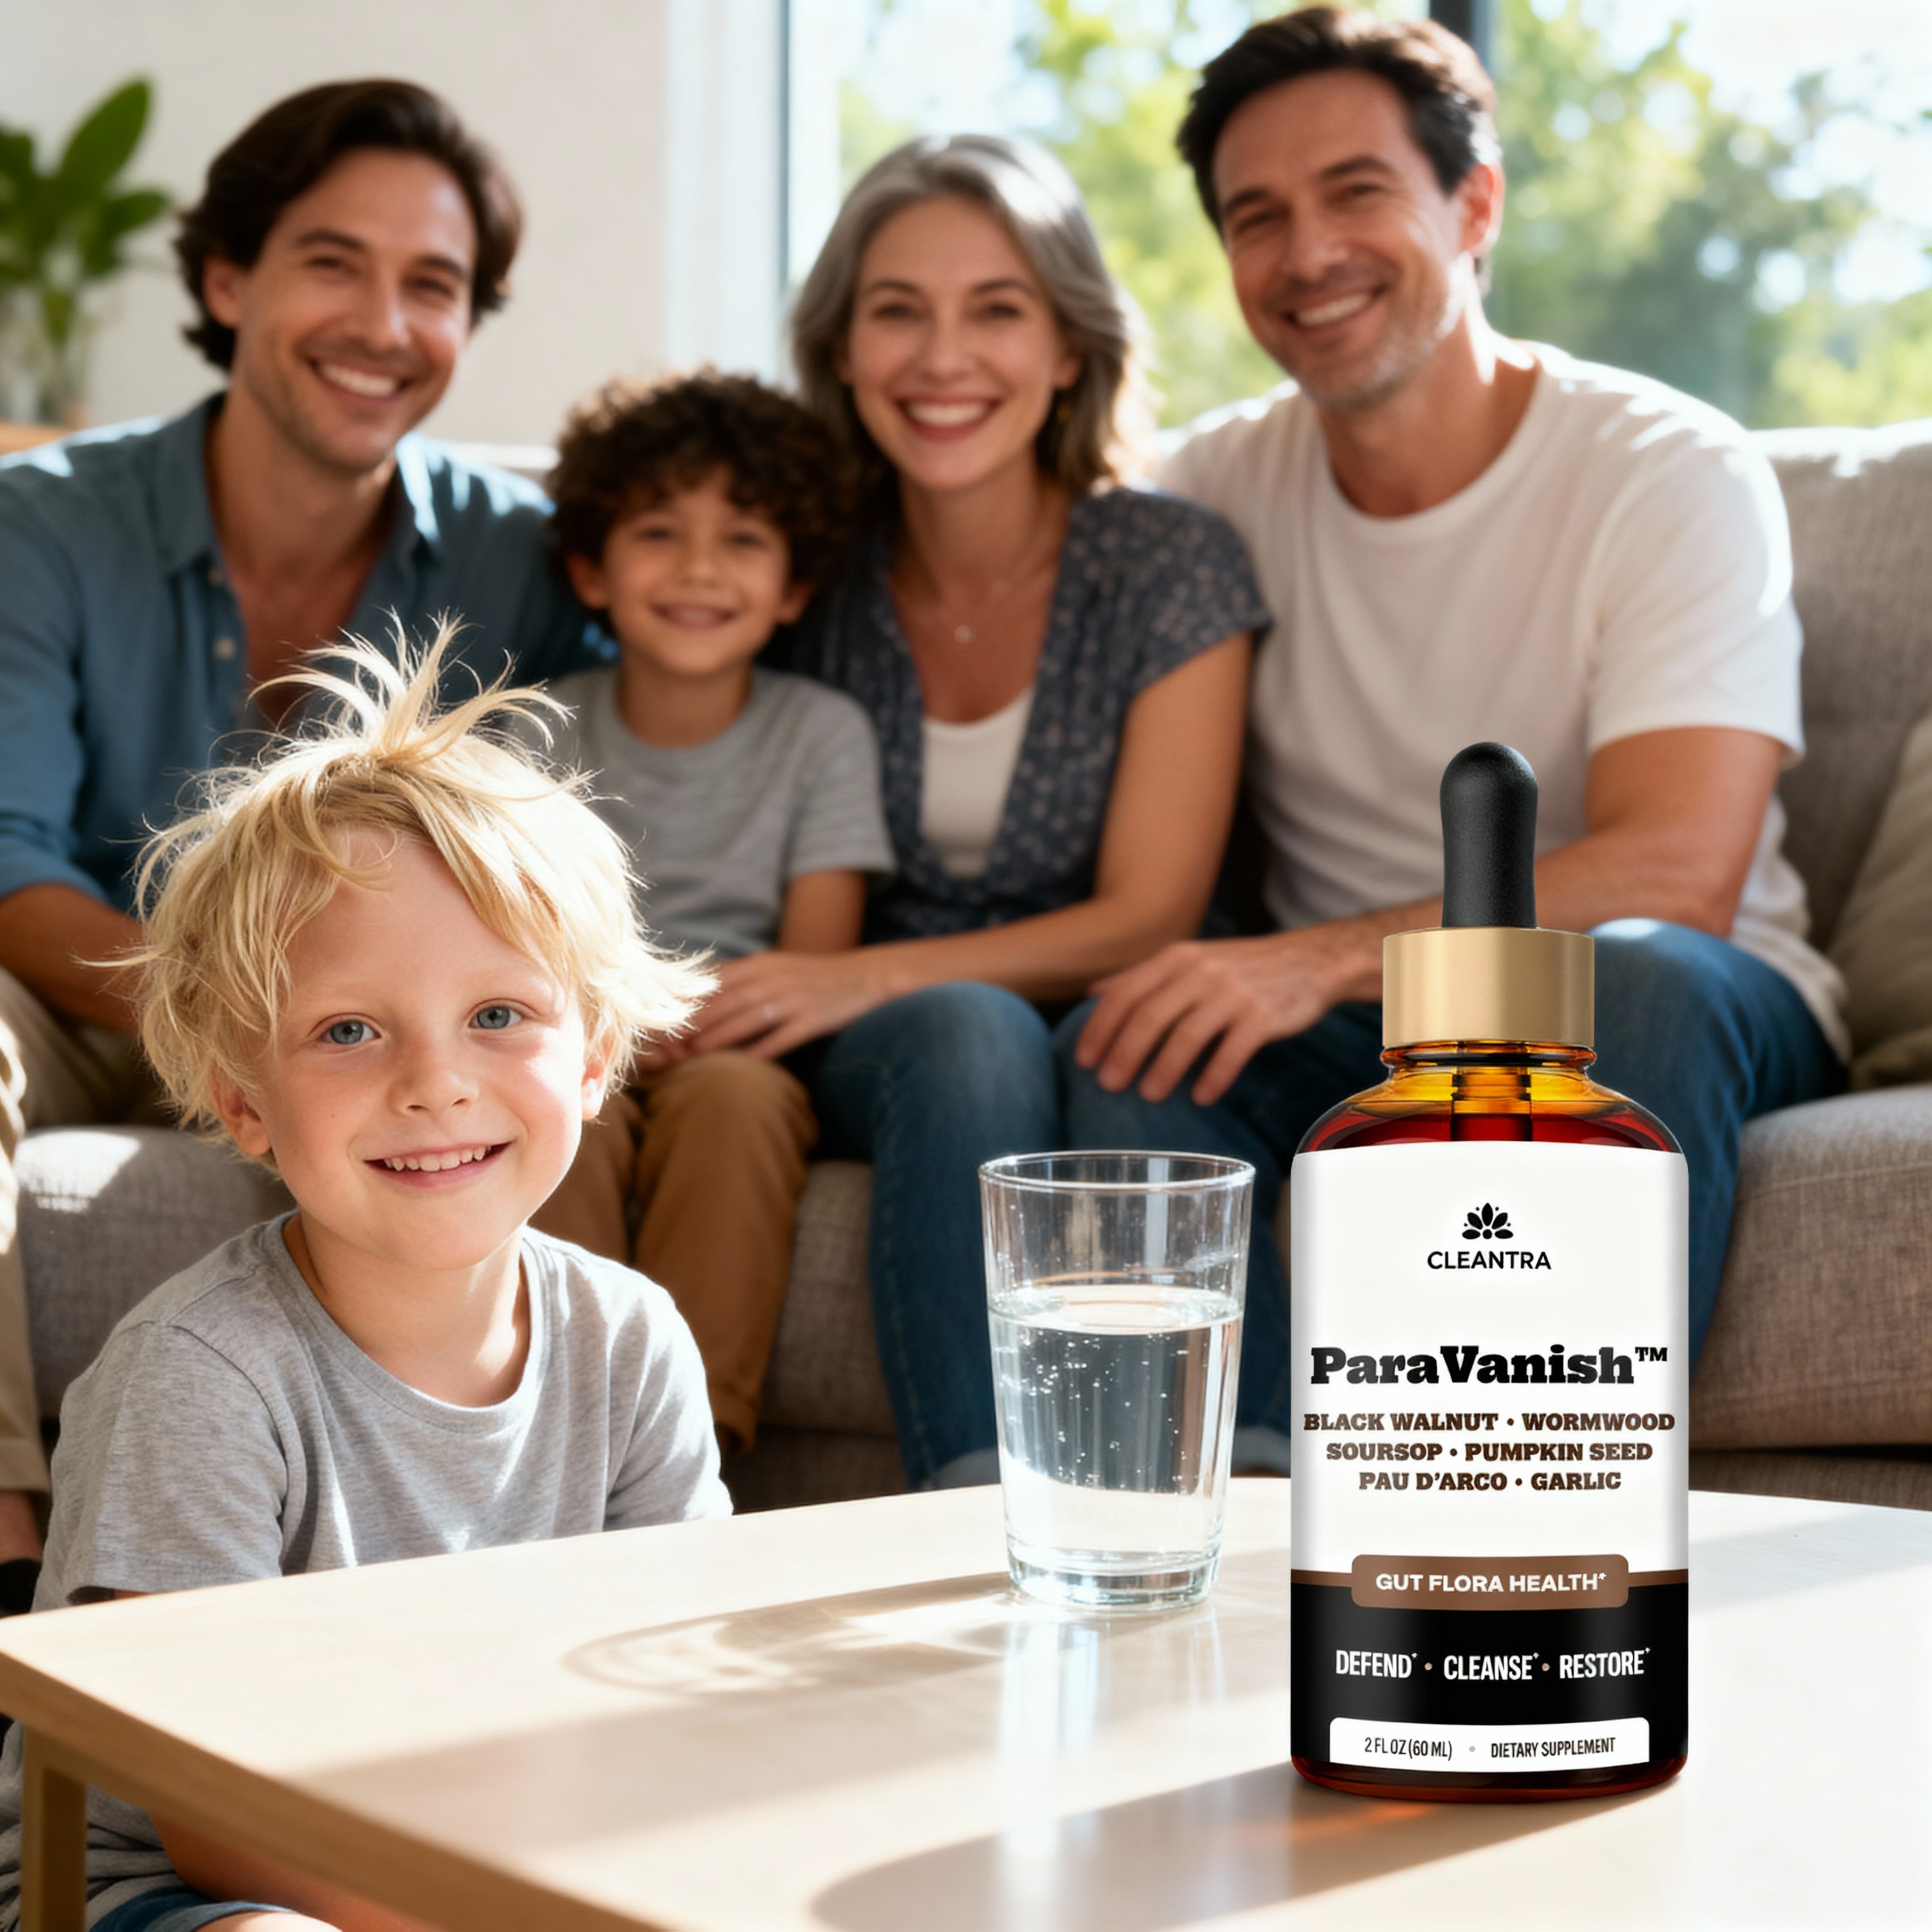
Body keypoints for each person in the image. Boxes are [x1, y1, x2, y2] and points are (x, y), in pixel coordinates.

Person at [1059, 5, 1847, 1465]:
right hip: (1367, 1029)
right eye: (1256, 217)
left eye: (1357, 193)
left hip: (1680, 992)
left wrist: (1308, 956)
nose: (1306, 257)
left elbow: (1682, 873)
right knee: (1140, 1044)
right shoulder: (1214, 489)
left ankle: (1559, 1507)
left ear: (1473, 203)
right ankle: (1261, 1516)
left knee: (1636, 985)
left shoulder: (1666, 472)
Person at [0, 636, 726, 1932]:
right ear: (243, 1102)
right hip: (172, 1888)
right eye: (349, 1030)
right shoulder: (201, 1376)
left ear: (598, 1056)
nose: (435, 1083)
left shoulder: (634, 1342)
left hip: (503, 1853)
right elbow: (210, 1816)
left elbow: (679, 1693)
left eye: (500, 1016)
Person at [0, 80, 596, 1596]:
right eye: (334, 263)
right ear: (227, 279)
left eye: (435, 286)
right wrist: (264, 1027)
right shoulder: (44, 526)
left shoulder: (522, 558)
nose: (384, 322)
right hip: (92, 987)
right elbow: (8, 859)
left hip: (371, 1022)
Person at [700, 134, 1267, 1491]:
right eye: (897, 311)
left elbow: (1149, 914)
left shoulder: (1170, 564)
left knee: (1060, 1030)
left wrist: (858, 973)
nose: (941, 357)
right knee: (962, 1031)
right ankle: (972, 1500)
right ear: (842, 350)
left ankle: (1248, 1488)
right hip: (890, 1049)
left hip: (1046, 1007)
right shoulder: (797, 574)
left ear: (1069, 348)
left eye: (997, 310)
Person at [527, 373, 892, 1458]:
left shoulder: (823, 733)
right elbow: (512, 936)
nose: (696, 569)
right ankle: (555, 1444)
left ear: (792, 587)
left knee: (735, 1101)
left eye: (741, 538)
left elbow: (810, 959)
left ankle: (693, 1454)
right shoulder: (537, 730)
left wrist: (691, 1017)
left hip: (738, 1035)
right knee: (557, 1110)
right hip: (574, 1027)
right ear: (591, 569)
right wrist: (605, 1026)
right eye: (657, 533)